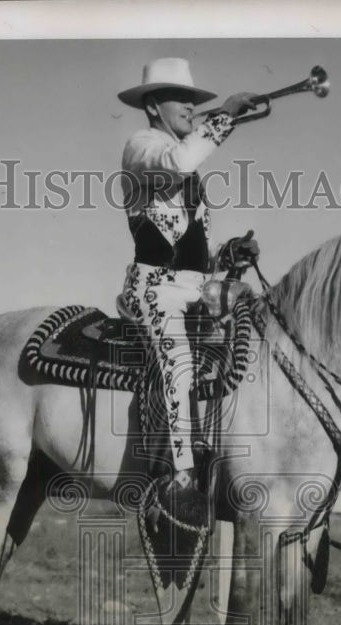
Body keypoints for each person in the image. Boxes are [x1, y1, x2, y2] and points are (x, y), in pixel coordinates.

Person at [117, 57, 260, 502]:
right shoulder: (142, 146)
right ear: (154, 104)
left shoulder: (185, 165)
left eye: (194, 101)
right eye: (182, 99)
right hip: (154, 290)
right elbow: (179, 160)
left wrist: (226, 253)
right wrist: (226, 116)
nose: (190, 107)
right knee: (177, 367)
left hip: (192, 288)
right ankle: (177, 481)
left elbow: (188, 248)